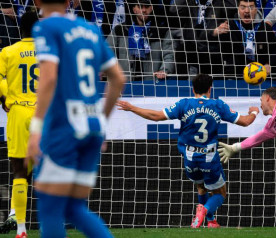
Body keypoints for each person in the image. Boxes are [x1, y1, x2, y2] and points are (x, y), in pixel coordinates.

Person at [26, 0, 126, 237]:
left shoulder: (46, 27)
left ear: (37, 2)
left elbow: (48, 78)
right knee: (73, 207)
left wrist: (36, 127)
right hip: (92, 126)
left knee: (50, 209)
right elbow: (118, 79)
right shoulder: (90, 29)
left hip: (65, 128)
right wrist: (101, 121)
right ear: (69, 1)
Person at [116, 73, 259, 228]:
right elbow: (245, 122)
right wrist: (254, 112)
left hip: (190, 157)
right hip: (209, 158)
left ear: (193, 89)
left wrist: (131, 108)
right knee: (220, 193)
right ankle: (205, 210)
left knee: (201, 187)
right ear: (210, 89)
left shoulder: (183, 104)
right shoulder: (218, 105)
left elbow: (155, 116)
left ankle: (209, 221)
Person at [0, 11, 38, 237]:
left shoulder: (7, 52)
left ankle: (21, 229)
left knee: (20, 171)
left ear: (20, 30)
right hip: (45, 113)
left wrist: (4, 97)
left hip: (19, 112)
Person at [107, 0, 174, 81]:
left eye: (147, 7)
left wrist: (164, 70)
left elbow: (169, 55)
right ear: (134, 9)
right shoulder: (120, 30)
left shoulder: (162, 32)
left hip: (151, 84)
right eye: (140, 7)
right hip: (126, 85)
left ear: (151, 8)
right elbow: (106, 51)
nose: (144, 10)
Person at [212, 0, 276, 78]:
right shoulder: (228, 27)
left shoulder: (265, 28)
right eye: (243, 7)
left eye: (251, 7)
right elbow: (217, 49)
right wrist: (215, 33)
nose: (247, 11)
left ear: (256, 9)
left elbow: (275, 50)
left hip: (260, 76)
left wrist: (269, 64)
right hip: (234, 76)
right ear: (238, 9)